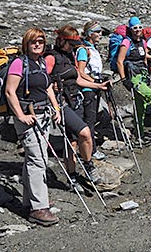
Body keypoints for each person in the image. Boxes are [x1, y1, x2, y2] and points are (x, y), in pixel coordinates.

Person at [4, 27, 61, 226]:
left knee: (36, 158)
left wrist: (56, 107)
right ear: (26, 44)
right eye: (33, 42)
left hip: (43, 114)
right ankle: (39, 208)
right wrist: (21, 115)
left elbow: (47, 87)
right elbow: (10, 91)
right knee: (38, 160)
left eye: (41, 42)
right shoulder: (19, 63)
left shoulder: (41, 62)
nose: (37, 44)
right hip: (28, 116)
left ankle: (30, 202)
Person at [45, 25, 108, 188]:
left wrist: (98, 86)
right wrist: (52, 86)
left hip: (75, 100)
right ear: (62, 40)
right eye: (71, 44)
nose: (74, 47)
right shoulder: (51, 58)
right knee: (85, 133)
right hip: (61, 103)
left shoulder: (69, 55)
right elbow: (43, 80)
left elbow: (78, 78)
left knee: (72, 142)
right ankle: (89, 166)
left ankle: (72, 177)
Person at [78, 21, 107, 160]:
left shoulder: (92, 48)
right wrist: (94, 82)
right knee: (89, 119)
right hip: (88, 88)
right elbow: (81, 71)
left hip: (94, 87)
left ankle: (90, 148)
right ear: (90, 34)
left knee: (92, 118)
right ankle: (91, 150)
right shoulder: (84, 50)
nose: (100, 34)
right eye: (98, 32)